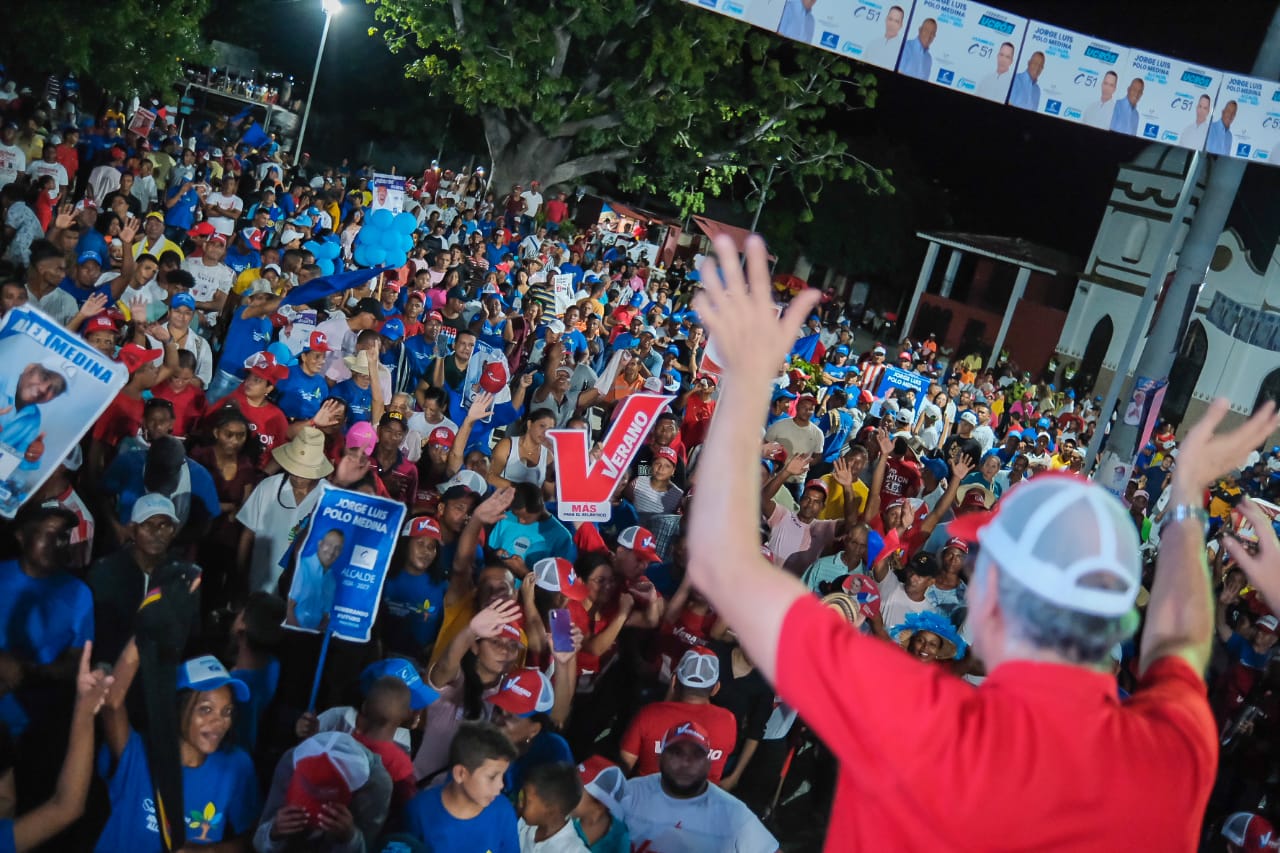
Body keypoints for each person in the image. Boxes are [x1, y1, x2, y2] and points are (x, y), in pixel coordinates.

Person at [686, 233, 1274, 849]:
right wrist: (1187, 496)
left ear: (993, 598)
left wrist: (749, 377)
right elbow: (1180, 640)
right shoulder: (1174, 757)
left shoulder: (926, 722)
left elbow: (721, 560)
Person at [96, 650, 261, 850]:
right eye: (206, 709)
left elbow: (252, 838)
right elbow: (112, 704)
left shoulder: (236, 766)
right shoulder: (137, 753)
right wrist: (145, 634)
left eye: (227, 711)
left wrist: (211, 851)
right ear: (176, 708)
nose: (220, 722)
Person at [615, 721, 777, 852]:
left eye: (696, 755)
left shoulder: (733, 813)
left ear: (708, 763)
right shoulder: (632, 792)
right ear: (660, 757)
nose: (686, 763)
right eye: (677, 753)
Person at [404, 721, 520, 851]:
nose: (501, 785)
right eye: (492, 777)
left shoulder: (503, 811)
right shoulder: (419, 810)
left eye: (502, 776)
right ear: (460, 774)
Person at [517, 761, 590, 853]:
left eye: (527, 801)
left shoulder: (574, 850)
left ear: (551, 811)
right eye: (521, 795)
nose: (520, 803)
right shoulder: (522, 825)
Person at [286, 527, 345, 631]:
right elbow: (288, 607)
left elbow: (325, 616)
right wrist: (298, 635)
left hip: (313, 639)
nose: (331, 551)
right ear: (320, 544)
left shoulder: (332, 582)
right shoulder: (301, 567)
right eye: (329, 544)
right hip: (292, 635)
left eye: (337, 548)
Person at [861, 4, 905, 68]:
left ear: (901, 25)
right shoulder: (873, 44)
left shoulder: (902, 51)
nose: (892, 24)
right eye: (890, 19)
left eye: (896, 21)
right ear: (886, 20)